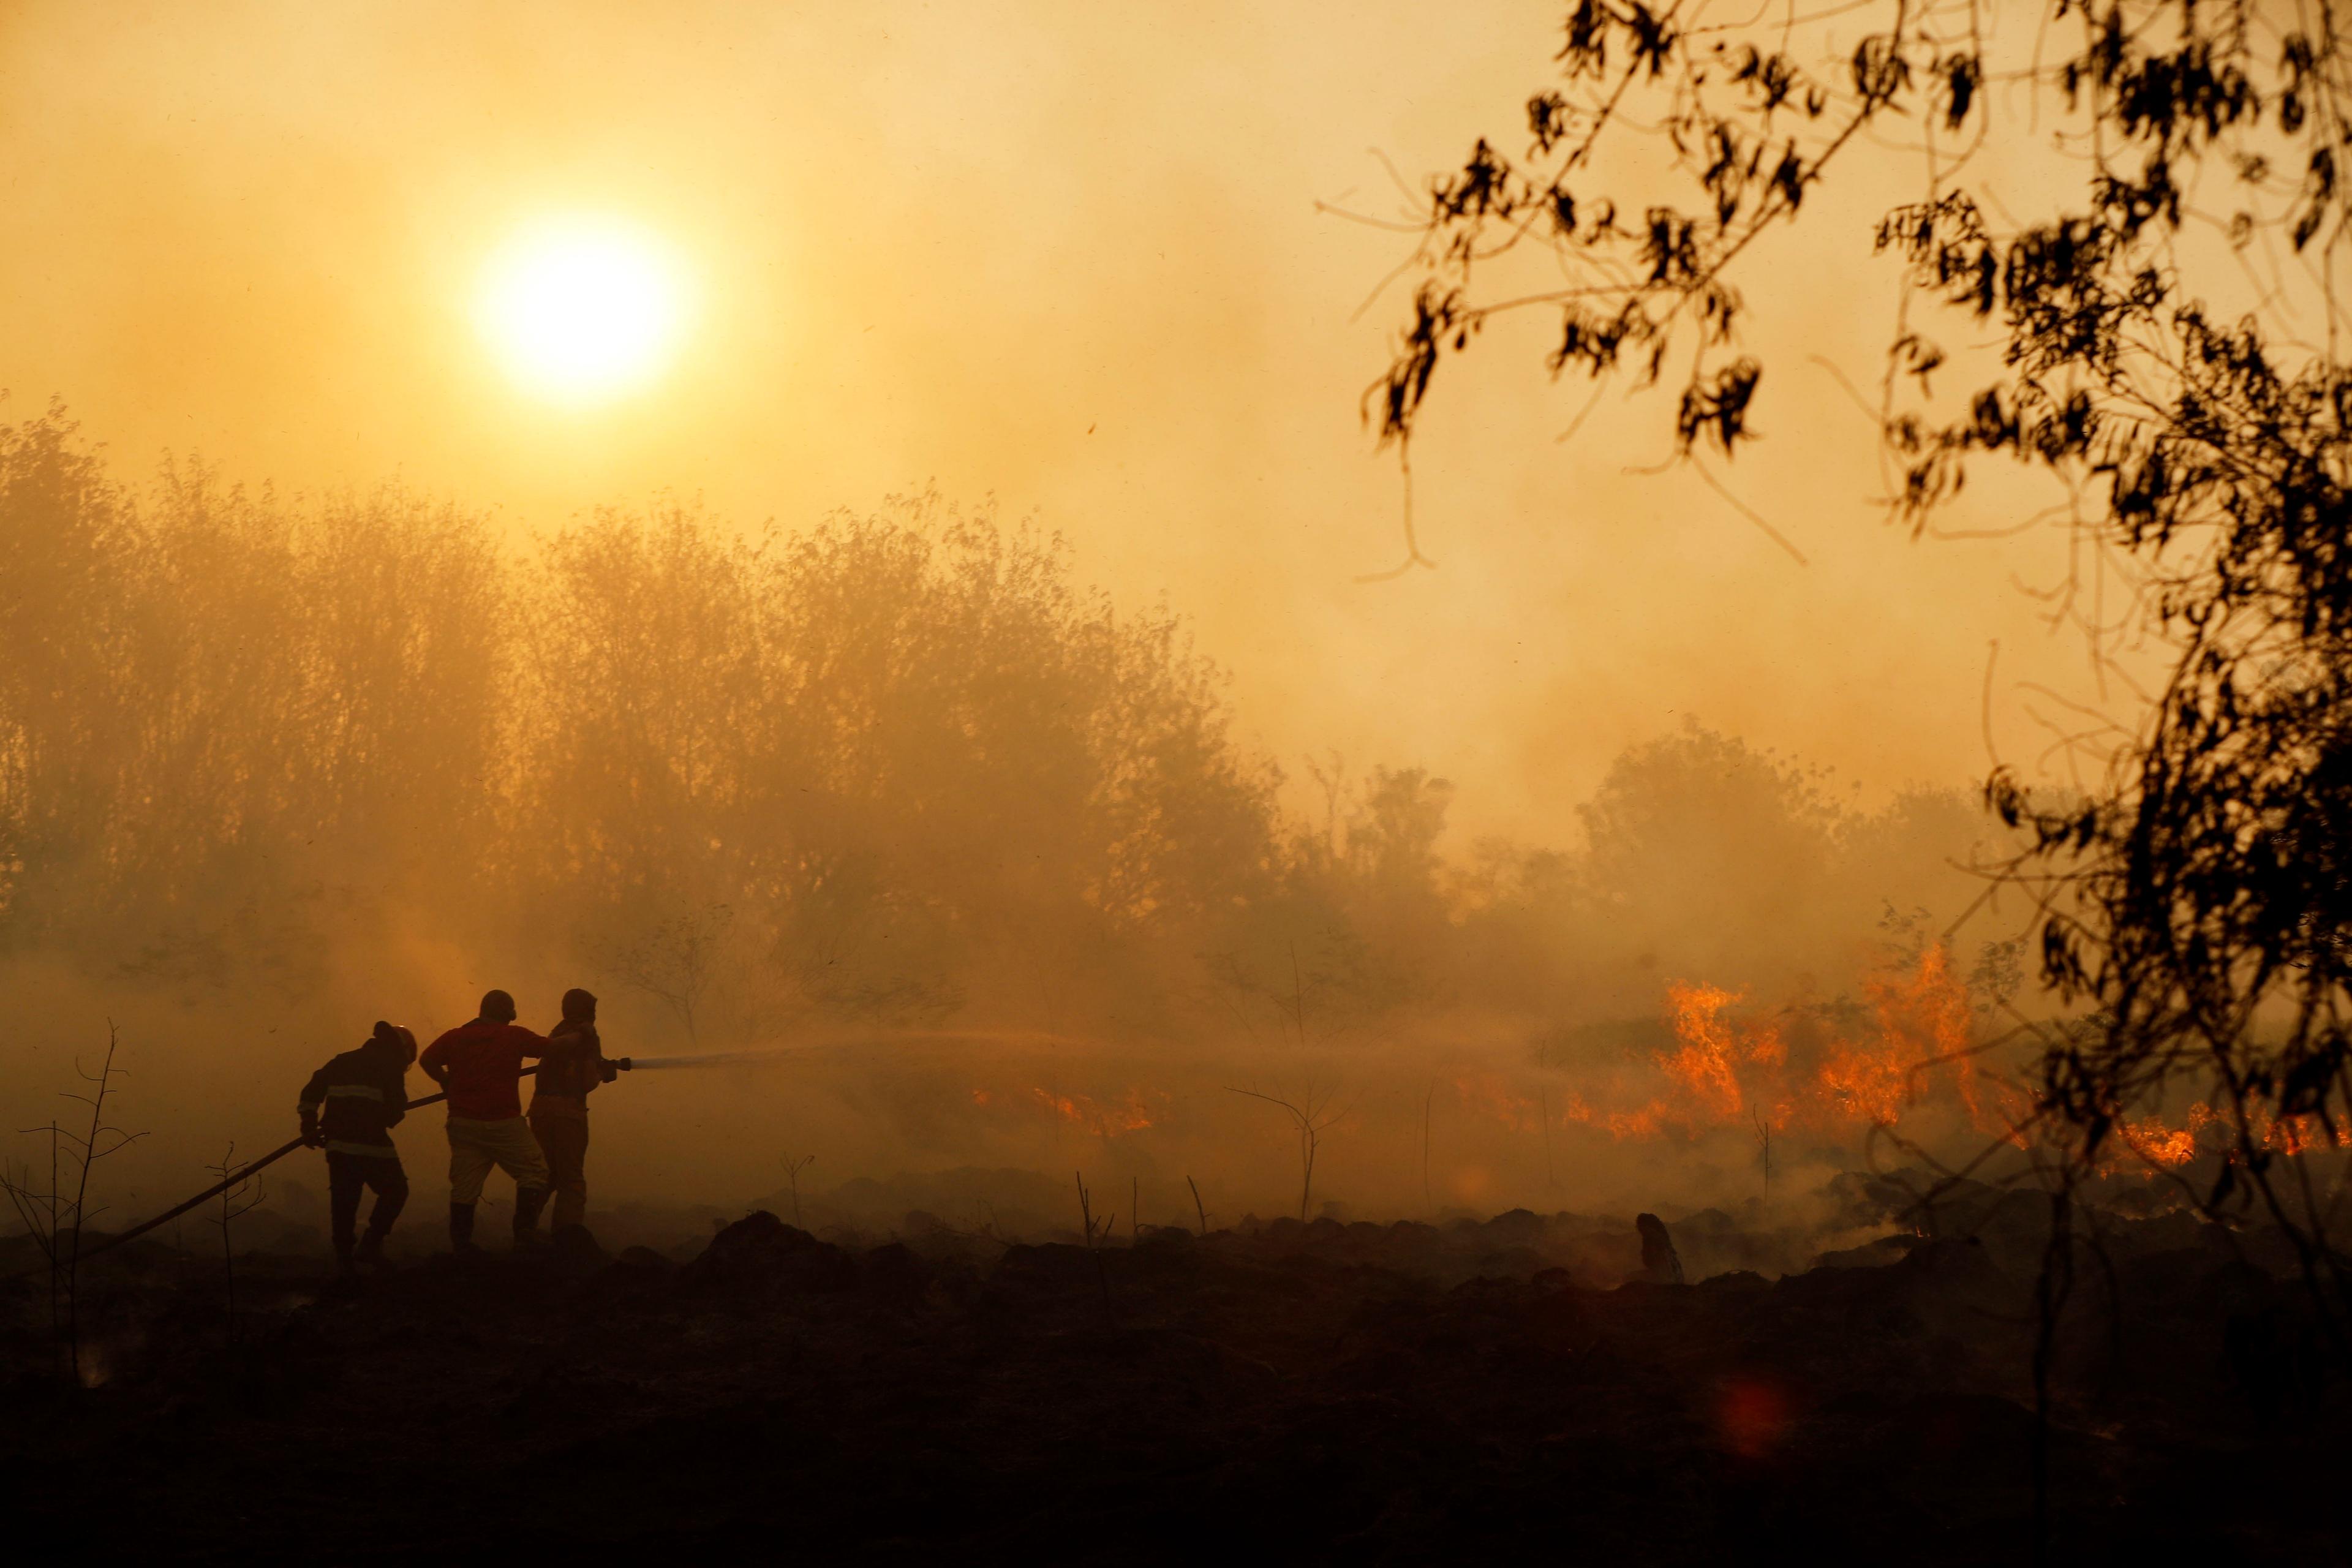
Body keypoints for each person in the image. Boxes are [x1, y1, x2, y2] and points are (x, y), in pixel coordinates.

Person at [419, 989, 554, 1252]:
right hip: (503, 1123)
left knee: (465, 1187)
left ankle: (461, 1245)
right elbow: (550, 1048)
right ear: (507, 1013)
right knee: (534, 1171)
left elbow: (427, 1060)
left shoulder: (455, 1037)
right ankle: (524, 1233)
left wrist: (445, 1081)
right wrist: (579, 1038)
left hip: (463, 1124)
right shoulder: (514, 1035)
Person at [298, 1021, 418, 1272]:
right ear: (402, 1051)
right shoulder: (391, 1067)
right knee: (396, 1192)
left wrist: (308, 1126)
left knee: (344, 1205)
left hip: (339, 1147)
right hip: (374, 1146)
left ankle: (344, 1262)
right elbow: (395, 1113)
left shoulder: (342, 1061)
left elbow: (311, 1091)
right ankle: (371, 1245)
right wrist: (389, 1115)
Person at [529, 987, 627, 1238]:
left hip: (539, 1110)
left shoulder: (557, 1033)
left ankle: (524, 1231)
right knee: (571, 1182)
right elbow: (586, 1082)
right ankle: (566, 1241)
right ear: (588, 1013)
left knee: (547, 1176)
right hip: (568, 1113)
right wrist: (604, 1074)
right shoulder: (588, 1037)